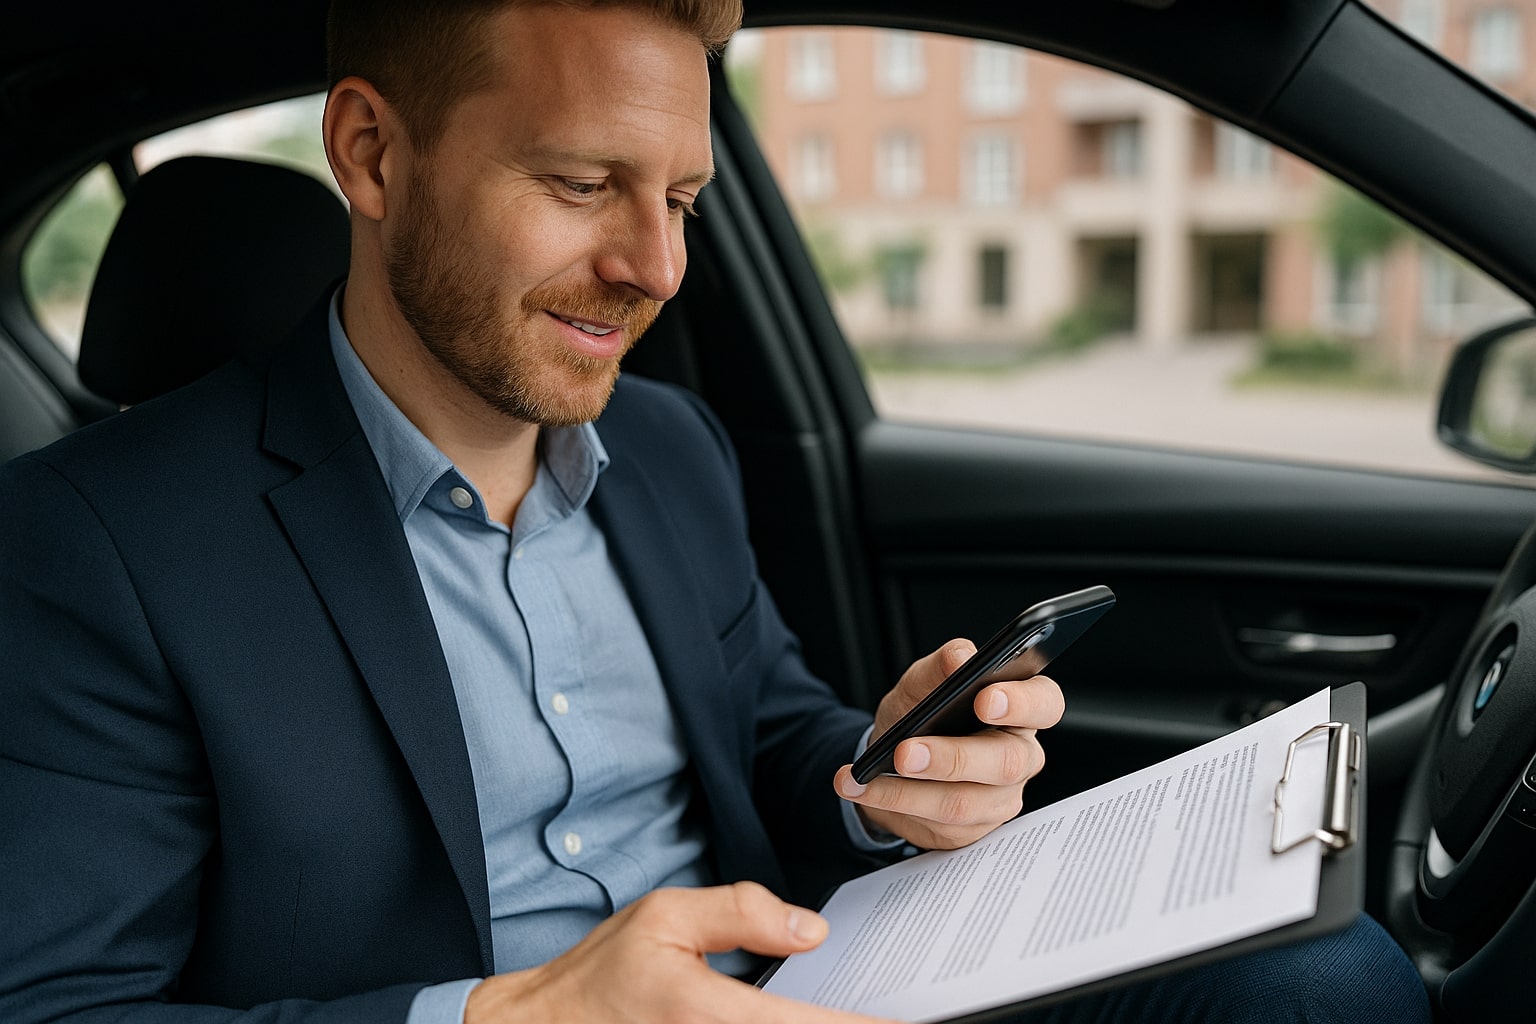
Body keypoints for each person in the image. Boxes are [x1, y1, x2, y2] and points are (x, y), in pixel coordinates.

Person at [0, 2, 1428, 1023]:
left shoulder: (670, 448)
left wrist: (886, 782)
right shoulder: (96, 544)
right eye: (580, 184)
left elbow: (768, 734)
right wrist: (510, 1018)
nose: (655, 263)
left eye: (681, 196)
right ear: (372, 155)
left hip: (815, 986)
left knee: (1327, 970)